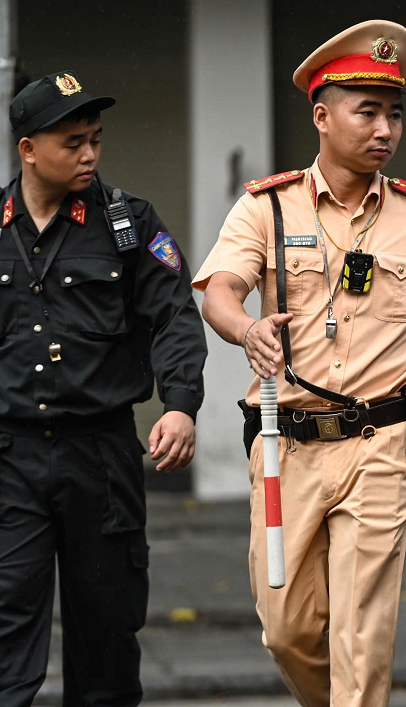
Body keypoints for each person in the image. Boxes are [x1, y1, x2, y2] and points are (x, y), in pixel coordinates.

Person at [194, 20, 406, 707]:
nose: (385, 129)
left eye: (394, 114)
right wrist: (246, 329)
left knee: (361, 634)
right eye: (368, 112)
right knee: (286, 629)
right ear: (322, 117)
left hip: (382, 446)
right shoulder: (266, 207)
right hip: (284, 448)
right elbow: (220, 290)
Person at [0, 71, 207, 706]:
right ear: (28, 148)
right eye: (73, 142)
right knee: (6, 620)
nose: (90, 154)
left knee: (107, 630)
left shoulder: (128, 224)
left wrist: (179, 406)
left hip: (103, 456)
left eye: (96, 139)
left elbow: (173, 314)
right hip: (11, 457)